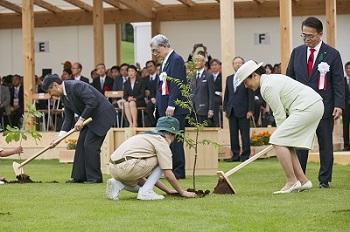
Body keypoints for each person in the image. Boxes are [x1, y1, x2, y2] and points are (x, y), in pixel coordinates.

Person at [237, 60, 324, 193]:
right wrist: (283, 138)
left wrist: (280, 137)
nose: (246, 85)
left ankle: (291, 181)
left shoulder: (267, 87)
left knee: (278, 139)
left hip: (308, 106)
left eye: (245, 81)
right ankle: (303, 181)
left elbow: (279, 114)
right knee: (284, 141)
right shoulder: (269, 80)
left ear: (254, 75)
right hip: (313, 105)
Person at [286, 16, 344, 189]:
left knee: (325, 144)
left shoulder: (332, 54)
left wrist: (339, 104)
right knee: (300, 145)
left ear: (320, 34)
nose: (306, 39)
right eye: (303, 35)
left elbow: (338, 81)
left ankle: (324, 180)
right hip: (301, 108)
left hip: (324, 107)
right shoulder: (297, 52)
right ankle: (300, 178)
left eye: (310, 36)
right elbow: (290, 79)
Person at [42, 74, 117, 184]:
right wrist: (59, 138)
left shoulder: (76, 86)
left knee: (90, 145)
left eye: (49, 92)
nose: (51, 95)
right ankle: (79, 177)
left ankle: (94, 178)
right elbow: (68, 118)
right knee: (81, 144)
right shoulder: (64, 96)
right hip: (90, 118)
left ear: (55, 85)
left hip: (102, 116)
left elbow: (92, 102)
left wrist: (81, 119)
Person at [106, 116, 197, 200]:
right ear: (169, 132)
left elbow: (148, 175)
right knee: (162, 161)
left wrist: (168, 190)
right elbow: (168, 174)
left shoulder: (146, 136)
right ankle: (145, 192)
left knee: (141, 184)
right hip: (129, 166)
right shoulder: (161, 141)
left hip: (113, 168)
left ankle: (118, 184)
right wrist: (182, 192)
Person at [150, 34, 188, 179]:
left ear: (164, 46)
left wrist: (172, 104)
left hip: (174, 108)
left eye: (156, 50)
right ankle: (169, 170)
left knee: (176, 141)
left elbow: (177, 84)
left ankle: (178, 171)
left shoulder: (176, 60)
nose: (155, 54)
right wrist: (157, 107)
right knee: (165, 140)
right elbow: (161, 86)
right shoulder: (165, 61)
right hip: (164, 106)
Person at [223, 57, 254, 162]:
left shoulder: (247, 77)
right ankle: (235, 155)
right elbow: (227, 94)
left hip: (244, 111)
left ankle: (245, 155)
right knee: (233, 134)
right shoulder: (229, 78)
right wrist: (225, 109)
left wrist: (250, 110)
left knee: (244, 134)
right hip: (231, 110)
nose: (237, 65)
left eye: (240, 63)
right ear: (233, 65)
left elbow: (251, 95)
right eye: (235, 63)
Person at [190, 54, 214, 124]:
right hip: (192, 109)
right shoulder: (191, 75)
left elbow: (211, 94)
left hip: (203, 108)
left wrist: (210, 109)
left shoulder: (208, 76)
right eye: (195, 61)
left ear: (203, 63)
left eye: (198, 61)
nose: (196, 63)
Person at [209, 58, 223, 127]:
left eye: (215, 65)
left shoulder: (222, 76)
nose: (214, 66)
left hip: (219, 97)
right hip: (210, 95)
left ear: (219, 66)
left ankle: (215, 122)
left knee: (214, 101)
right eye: (212, 65)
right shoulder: (208, 76)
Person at [342, 61, 350, 151]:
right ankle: (346, 145)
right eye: (347, 68)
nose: (349, 70)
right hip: (346, 108)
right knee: (345, 126)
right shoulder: (342, 80)